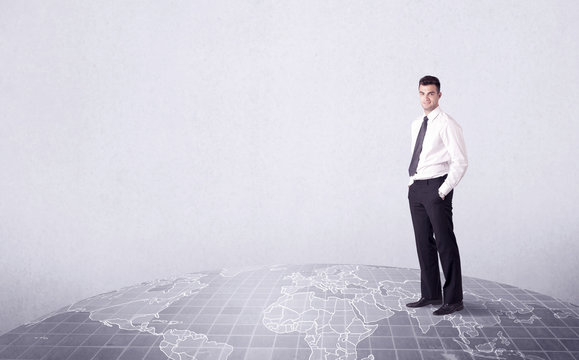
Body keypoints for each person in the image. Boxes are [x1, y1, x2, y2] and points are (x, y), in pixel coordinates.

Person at [406, 75, 468, 316]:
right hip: (417, 188)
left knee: (445, 243)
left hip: (437, 187)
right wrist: (411, 184)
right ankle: (431, 294)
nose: (426, 98)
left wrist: (443, 190)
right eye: (422, 93)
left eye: (430, 93)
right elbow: (418, 156)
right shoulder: (416, 124)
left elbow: (460, 161)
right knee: (423, 243)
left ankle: (453, 299)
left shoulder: (447, 123)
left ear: (439, 95)